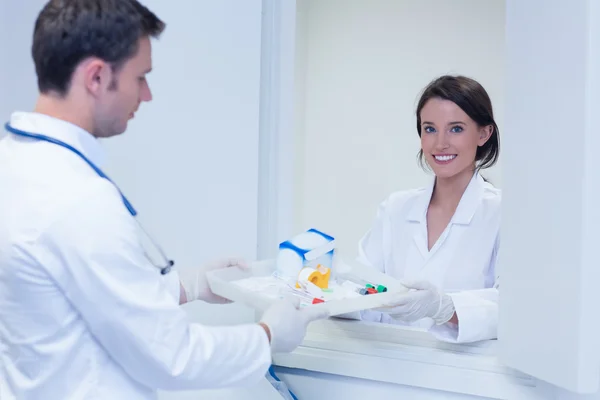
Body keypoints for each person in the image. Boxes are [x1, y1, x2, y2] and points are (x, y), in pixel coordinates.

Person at [0, 1, 327, 399]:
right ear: (97, 77)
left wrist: (185, 287)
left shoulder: (16, 163)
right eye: (141, 77)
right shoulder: (77, 200)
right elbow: (172, 357)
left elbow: (78, 296)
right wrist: (269, 335)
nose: (148, 94)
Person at [356, 75, 500, 344]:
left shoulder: (503, 214)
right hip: (386, 368)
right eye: (430, 129)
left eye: (456, 129)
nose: (440, 144)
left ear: (483, 133)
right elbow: (361, 289)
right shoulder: (395, 209)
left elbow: (515, 309)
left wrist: (445, 308)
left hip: (464, 378)